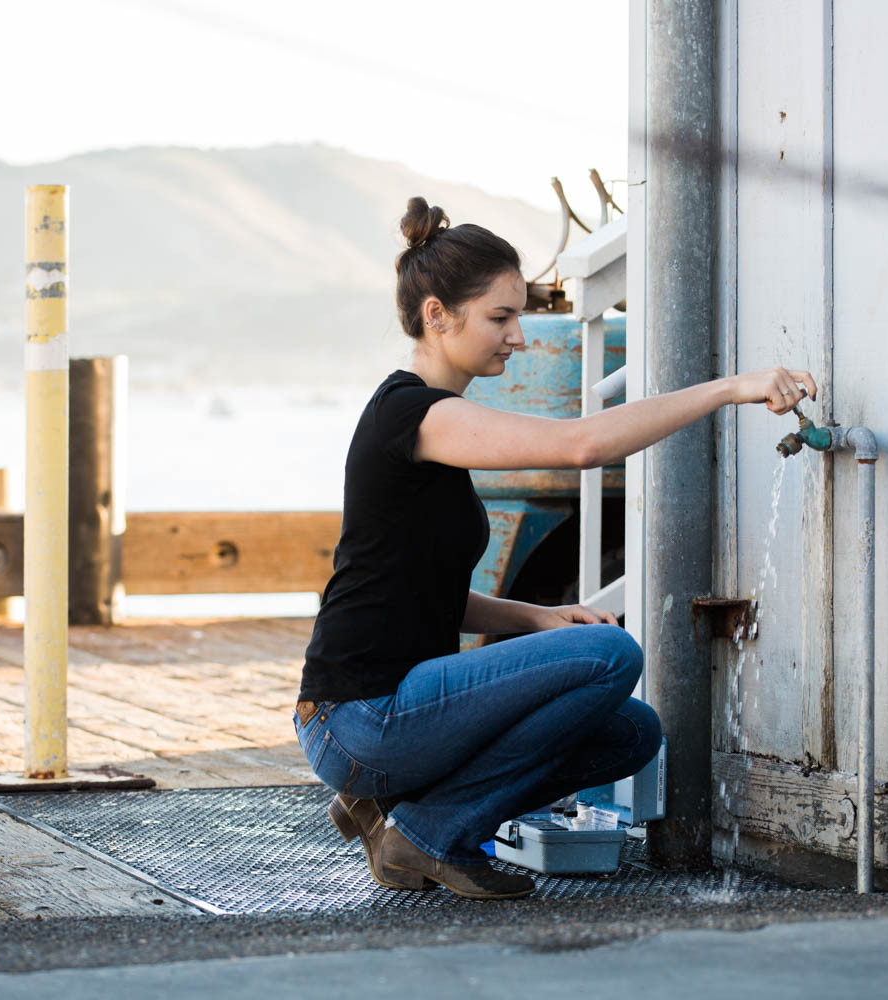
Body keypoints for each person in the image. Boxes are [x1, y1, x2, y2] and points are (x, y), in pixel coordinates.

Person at [295, 196, 817, 900]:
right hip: (361, 717)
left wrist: (540, 618)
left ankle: (393, 811)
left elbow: (422, 594)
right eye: (500, 318)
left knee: (629, 734)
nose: (518, 337)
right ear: (436, 316)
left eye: (519, 317)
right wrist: (731, 388)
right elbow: (582, 445)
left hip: (386, 717)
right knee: (612, 656)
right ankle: (423, 834)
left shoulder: (434, 424)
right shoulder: (414, 414)